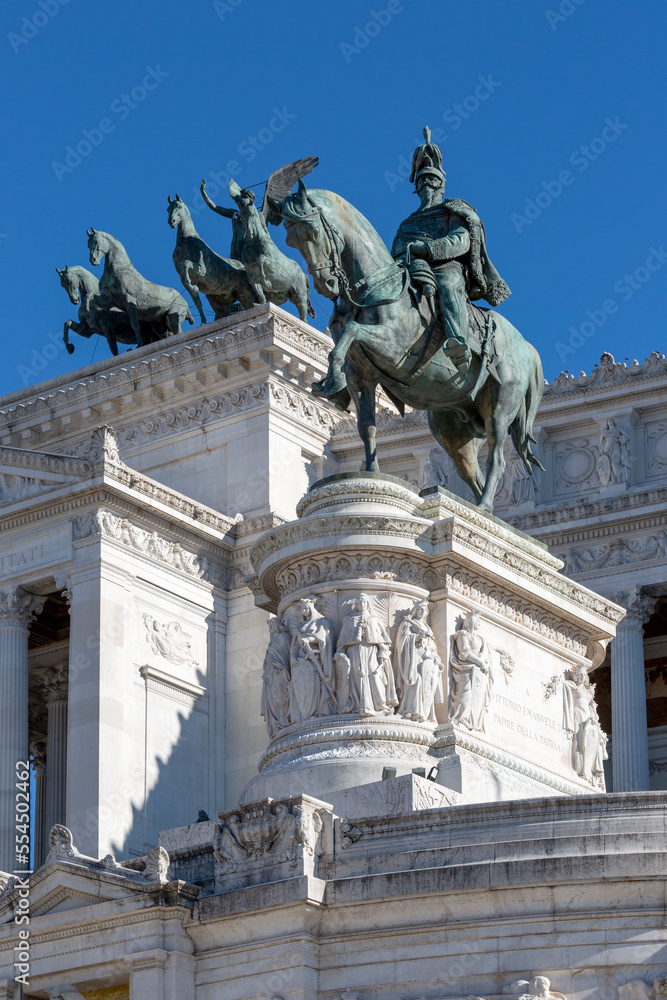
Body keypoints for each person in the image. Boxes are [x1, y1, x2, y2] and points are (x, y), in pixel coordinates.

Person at [391, 127, 510, 371]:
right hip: (411, 268)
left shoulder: (453, 210)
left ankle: (459, 341)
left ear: (442, 186)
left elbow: (460, 240)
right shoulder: (406, 223)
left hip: (447, 267)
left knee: (447, 285)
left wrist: (427, 248)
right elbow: (395, 252)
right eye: (422, 181)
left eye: (432, 181)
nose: (427, 186)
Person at [335, 595, 397, 716]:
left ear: (368, 604)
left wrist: (383, 655)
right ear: (357, 604)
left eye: (364, 601)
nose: (362, 604)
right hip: (354, 652)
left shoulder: (375, 620)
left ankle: (379, 705)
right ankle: (358, 706)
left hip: (371, 652)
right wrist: (340, 655)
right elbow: (341, 643)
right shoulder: (349, 621)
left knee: (374, 676)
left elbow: (382, 641)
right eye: (360, 602)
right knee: (357, 677)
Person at [394, 600, 444, 723]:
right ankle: (411, 710)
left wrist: (434, 655)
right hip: (413, 656)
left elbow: (432, 644)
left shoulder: (427, 627)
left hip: (426, 657)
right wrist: (417, 637)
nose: (422, 612)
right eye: (420, 609)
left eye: (425, 610)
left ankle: (424, 712)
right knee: (416, 680)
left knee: (427, 682)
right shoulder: (409, 623)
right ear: (415, 611)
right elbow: (402, 640)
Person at [289, 596, 335, 723]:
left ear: (312, 609)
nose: (304, 612)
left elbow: (325, 640)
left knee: (316, 688)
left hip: (315, 661)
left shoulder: (321, 622)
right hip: (302, 664)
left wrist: (310, 639)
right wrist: (293, 656)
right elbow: (295, 646)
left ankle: (317, 710)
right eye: (302, 609)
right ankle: (305, 714)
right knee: (305, 689)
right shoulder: (300, 627)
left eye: (306, 609)